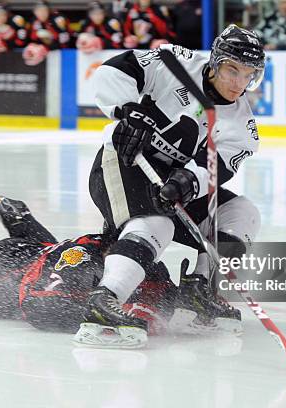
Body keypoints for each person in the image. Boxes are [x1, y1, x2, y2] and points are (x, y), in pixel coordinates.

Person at [74, 24, 264, 348]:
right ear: (216, 62)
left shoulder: (243, 127)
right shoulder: (173, 63)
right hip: (123, 164)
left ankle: (198, 290)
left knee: (242, 212)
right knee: (156, 225)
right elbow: (111, 73)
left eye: (249, 75)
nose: (239, 82)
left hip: (173, 185)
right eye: (233, 69)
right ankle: (105, 301)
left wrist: (188, 181)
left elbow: (213, 170)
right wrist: (127, 110)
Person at [0, 186, 177, 334]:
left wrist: (186, 293)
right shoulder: (81, 259)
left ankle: (19, 216)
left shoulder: (140, 257)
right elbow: (37, 306)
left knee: (47, 247)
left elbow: (164, 296)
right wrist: (93, 314)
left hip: (38, 249)